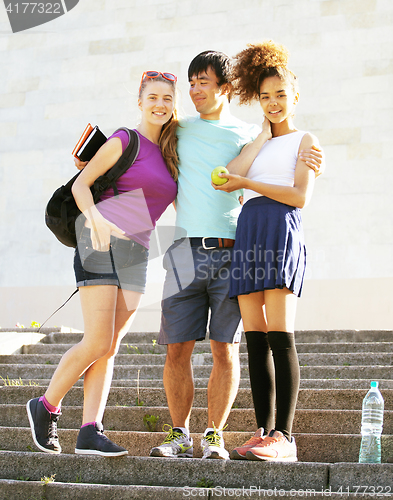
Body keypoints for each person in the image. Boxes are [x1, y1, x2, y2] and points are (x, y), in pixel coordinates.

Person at [149, 51, 323, 460]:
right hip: (184, 251)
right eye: (190, 83)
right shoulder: (176, 130)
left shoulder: (250, 134)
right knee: (179, 347)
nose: (194, 90)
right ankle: (183, 435)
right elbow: (142, 158)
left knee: (227, 346)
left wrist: (312, 158)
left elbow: (288, 174)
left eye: (202, 82)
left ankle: (220, 436)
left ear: (225, 88)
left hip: (236, 249)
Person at [26, 71, 179, 457]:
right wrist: (94, 217)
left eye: (168, 98)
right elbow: (81, 183)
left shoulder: (172, 152)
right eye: (153, 97)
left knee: (109, 346)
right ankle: (45, 405)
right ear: (140, 101)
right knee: (96, 338)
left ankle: (90, 430)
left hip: (137, 251)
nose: (160, 104)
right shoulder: (125, 139)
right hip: (100, 241)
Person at [212, 40, 323, 462]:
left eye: (281, 95)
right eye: (265, 97)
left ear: (295, 96)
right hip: (250, 234)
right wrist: (259, 137)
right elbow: (226, 179)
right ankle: (263, 432)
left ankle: (286, 437)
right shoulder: (255, 142)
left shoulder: (305, 139)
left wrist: (250, 186)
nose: (273, 103)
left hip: (278, 229)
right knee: (254, 339)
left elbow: (299, 196)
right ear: (257, 100)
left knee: (280, 334)